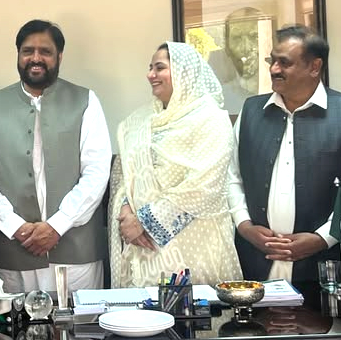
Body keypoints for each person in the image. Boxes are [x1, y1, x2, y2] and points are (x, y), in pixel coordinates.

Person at [0, 19, 111, 293]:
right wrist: (16, 227)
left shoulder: (86, 101)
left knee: (79, 320)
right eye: (28, 51)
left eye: (45, 51)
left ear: (59, 56)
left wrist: (57, 226)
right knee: (15, 320)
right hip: (13, 249)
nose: (36, 58)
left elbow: (96, 173)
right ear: (18, 55)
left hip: (75, 252)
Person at [109, 42, 242, 287]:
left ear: (184, 73)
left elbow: (205, 186)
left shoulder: (211, 119)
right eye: (150, 68)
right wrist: (126, 209)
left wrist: (144, 222)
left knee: (195, 308)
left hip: (197, 244)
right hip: (143, 249)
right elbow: (127, 175)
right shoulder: (139, 121)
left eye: (159, 68)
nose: (151, 75)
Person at [228, 25, 341, 282]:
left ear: (315, 67)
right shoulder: (251, 111)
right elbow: (232, 176)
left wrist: (323, 238)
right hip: (253, 261)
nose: (274, 69)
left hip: (324, 267)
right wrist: (244, 226)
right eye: (272, 60)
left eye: (285, 63)